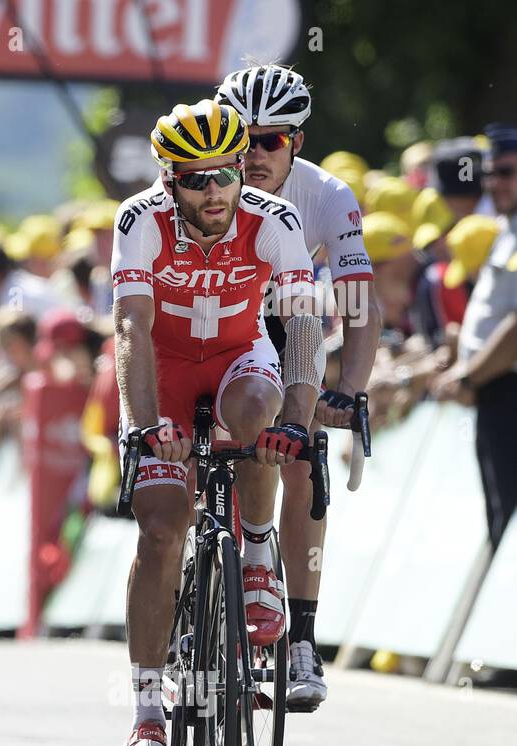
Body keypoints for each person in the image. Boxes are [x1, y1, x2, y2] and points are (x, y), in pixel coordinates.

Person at [112, 99, 321, 746]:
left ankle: (257, 552)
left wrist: (297, 418)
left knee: (259, 418)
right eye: (197, 179)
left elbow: (303, 328)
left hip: (239, 356)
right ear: (169, 181)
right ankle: (146, 715)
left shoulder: (275, 220)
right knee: (163, 528)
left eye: (226, 175)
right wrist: (147, 427)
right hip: (163, 372)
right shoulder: (139, 221)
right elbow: (131, 329)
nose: (215, 192)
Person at [215, 64, 382, 710]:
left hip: (289, 323)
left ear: (297, 144)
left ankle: (302, 640)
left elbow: (360, 301)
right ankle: (193, 606)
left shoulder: (328, 195)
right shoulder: (198, 178)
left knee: (302, 452)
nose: (253, 155)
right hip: (212, 324)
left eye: (271, 142)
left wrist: (355, 387)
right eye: (243, 138)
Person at [434, 125, 517, 548]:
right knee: (499, 520)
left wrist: (469, 376)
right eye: (489, 174)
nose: (493, 183)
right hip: (493, 391)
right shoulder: (506, 228)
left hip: (505, 390)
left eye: (505, 172)